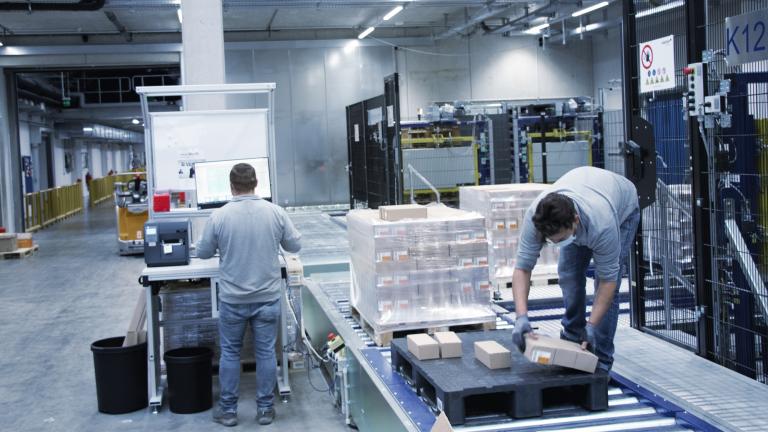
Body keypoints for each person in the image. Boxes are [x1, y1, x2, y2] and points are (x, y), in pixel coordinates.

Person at [196, 163, 302, 427]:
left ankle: (229, 412)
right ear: (257, 184)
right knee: (266, 352)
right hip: (267, 297)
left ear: (231, 186)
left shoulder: (219, 216)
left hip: (233, 300)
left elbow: (203, 253)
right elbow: (294, 245)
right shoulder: (275, 212)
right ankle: (265, 410)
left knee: (230, 354)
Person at [510, 166, 640, 372]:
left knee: (607, 287)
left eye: (561, 239)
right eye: (551, 241)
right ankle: (572, 339)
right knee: (569, 275)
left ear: (575, 221)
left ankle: (602, 358)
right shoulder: (536, 218)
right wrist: (521, 317)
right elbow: (522, 269)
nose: (557, 244)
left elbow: (608, 281)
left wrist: (592, 325)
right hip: (584, 190)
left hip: (622, 206)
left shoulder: (603, 225)